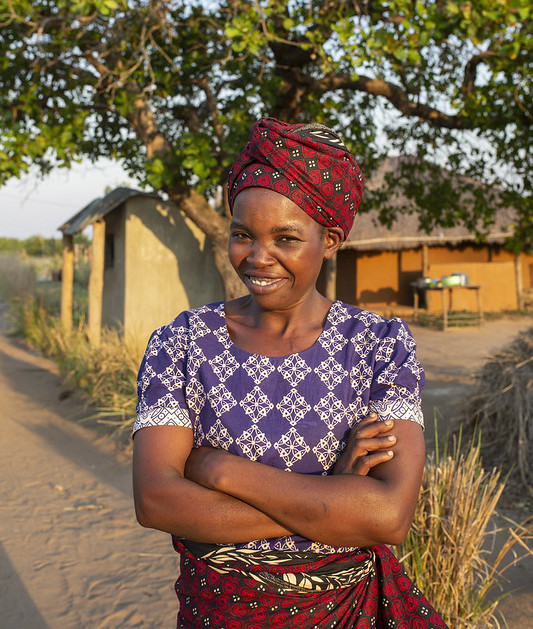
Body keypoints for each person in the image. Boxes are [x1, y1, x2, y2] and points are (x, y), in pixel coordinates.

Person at [132, 118, 449, 628]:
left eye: (286, 237)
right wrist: (332, 497)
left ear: (329, 240)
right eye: (242, 235)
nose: (259, 258)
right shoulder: (183, 342)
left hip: (348, 613)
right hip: (220, 612)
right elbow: (155, 500)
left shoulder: (378, 347)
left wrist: (219, 471)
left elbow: (388, 517)